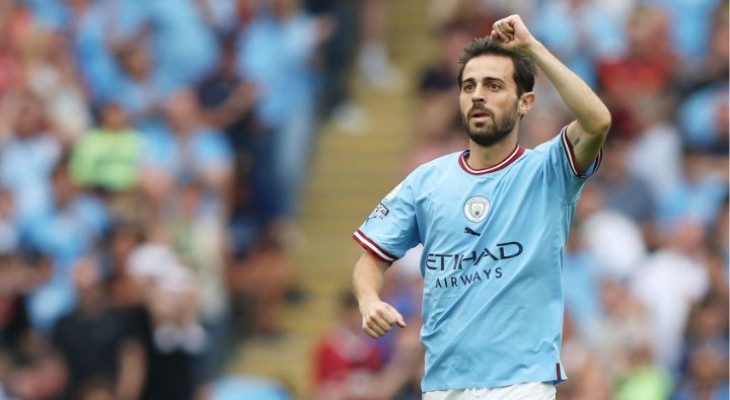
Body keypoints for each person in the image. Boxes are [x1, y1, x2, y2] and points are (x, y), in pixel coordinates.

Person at [351, 14, 611, 400]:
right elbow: (371, 259)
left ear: (525, 102)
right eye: (469, 86)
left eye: (494, 86)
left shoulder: (548, 170)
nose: (478, 96)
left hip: (521, 383)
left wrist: (532, 49)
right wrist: (369, 300)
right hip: (444, 384)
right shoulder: (427, 181)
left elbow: (597, 121)